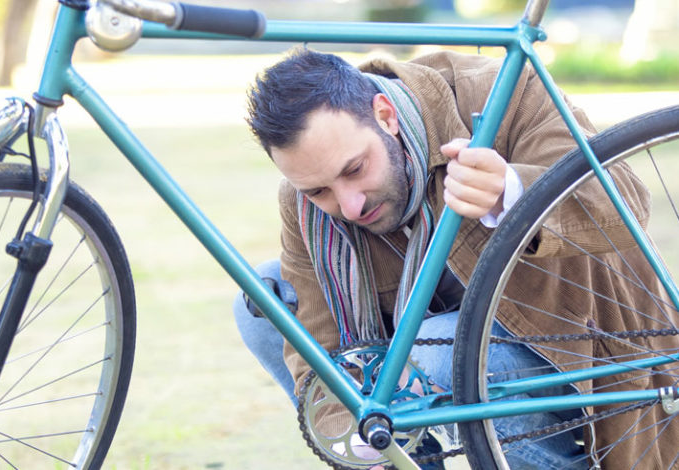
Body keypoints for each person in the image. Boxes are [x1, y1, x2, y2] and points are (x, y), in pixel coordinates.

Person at [233, 47, 672, 468]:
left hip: (576, 341)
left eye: (354, 170)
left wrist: (512, 194)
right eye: (319, 190)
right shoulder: (302, 203)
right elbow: (318, 344)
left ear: (385, 115)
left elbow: (624, 202)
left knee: (439, 351)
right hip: (431, 344)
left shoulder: (503, 91)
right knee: (263, 304)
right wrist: (355, 441)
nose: (349, 205)